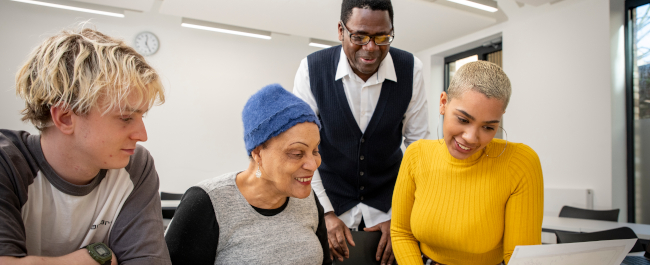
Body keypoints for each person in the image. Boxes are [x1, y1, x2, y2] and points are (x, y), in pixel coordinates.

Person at [0, 27, 170, 265]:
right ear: (66, 118)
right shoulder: (6, 164)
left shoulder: (136, 165)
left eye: (142, 116)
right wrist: (93, 257)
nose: (142, 135)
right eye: (125, 118)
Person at [293, 0, 429, 264]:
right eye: (359, 36)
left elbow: (418, 149)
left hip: (389, 212)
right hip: (329, 207)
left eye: (382, 37)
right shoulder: (311, 70)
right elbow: (301, 152)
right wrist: (324, 213)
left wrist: (401, 215)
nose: (371, 47)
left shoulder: (412, 69)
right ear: (341, 31)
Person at [391, 61, 544, 265]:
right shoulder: (416, 154)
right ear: (443, 102)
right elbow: (402, 233)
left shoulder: (520, 163)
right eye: (463, 120)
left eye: (488, 127)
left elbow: (519, 258)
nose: (471, 138)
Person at [165, 84, 331, 265]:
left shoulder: (307, 199)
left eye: (315, 150)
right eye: (297, 153)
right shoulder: (207, 203)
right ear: (258, 153)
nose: (313, 164)